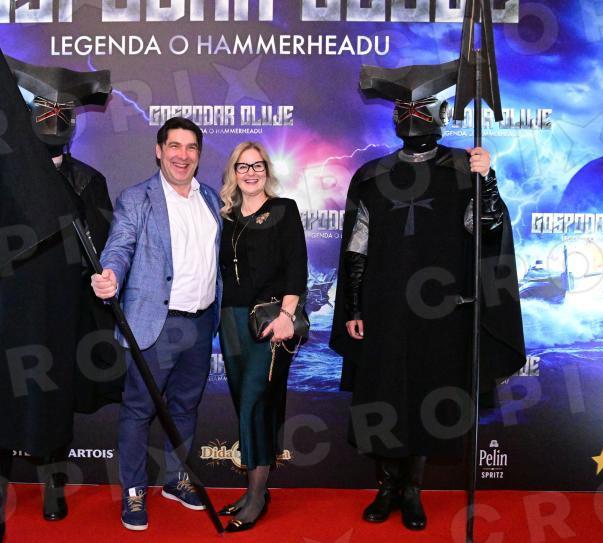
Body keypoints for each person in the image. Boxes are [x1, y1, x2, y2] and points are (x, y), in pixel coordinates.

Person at [330, 62, 525, 531]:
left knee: (425, 397)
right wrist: (354, 305)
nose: (412, 115)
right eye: (405, 108)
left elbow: (486, 231)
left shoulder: (463, 168)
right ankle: (386, 487)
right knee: (381, 396)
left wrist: (487, 181)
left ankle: (412, 490)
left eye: (421, 108)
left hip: (439, 311)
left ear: (437, 114)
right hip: (383, 308)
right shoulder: (372, 175)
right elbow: (357, 246)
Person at [0, 58, 121, 522]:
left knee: (53, 399)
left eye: (60, 113)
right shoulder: (3, 179)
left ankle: (53, 483)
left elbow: (103, 248)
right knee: (3, 394)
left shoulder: (88, 181)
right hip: (9, 310)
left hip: (61, 313)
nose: (52, 121)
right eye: (45, 111)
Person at [91, 117, 222, 531]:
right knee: (138, 410)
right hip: (156, 325)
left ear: (199, 155)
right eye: (175, 146)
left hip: (201, 323)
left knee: (185, 406)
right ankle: (133, 491)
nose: (183, 155)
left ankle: (176, 479)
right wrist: (110, 274)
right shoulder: (137, 198)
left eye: (191, 147)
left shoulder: (210, 198)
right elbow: (120, 246)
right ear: (159, 150)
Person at [216, 141, 308, 532]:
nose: (250, 173)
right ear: (233, 172)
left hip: (269, 320)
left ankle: (256, 496)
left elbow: (297, 266)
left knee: (257, 401)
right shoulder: (225, 215)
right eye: (243, 166)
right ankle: (255, 490)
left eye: (257, 165)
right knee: (244, 402)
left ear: (267, 170)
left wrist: (288, 315)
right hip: (230, 320)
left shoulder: (284, 209)